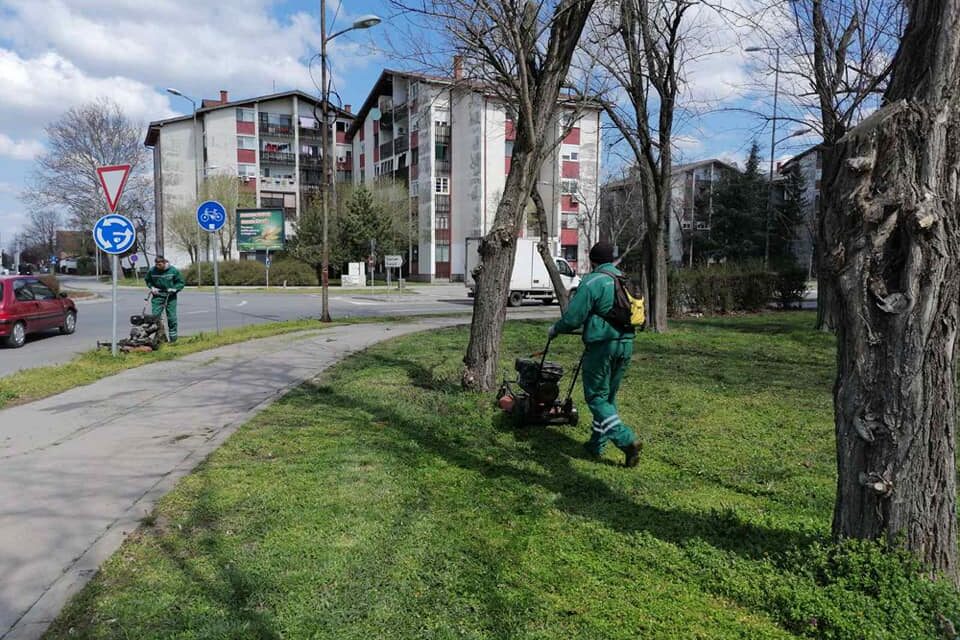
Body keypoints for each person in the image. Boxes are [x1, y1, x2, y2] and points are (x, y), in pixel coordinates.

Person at [549, 241, 641, 467]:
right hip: (626, 344)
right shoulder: (624, 279)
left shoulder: (593, 281)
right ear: (612, 259)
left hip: (603, 346)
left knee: (596, 398)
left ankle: (626, 439)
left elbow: (573, 318)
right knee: (607, 398)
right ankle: (596, 444)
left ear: (592, 261)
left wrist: (555, 329)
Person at [145, 255, 185, 342]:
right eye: (156, 264)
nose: (157, 266)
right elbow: (148, 280)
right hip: (158, 295)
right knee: (155, 317)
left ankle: (173, 339)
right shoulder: (152, 271)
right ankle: (161, 338)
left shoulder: (173, 270)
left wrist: (175, 288)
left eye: (159, 264)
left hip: (170, 296)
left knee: (171, 317)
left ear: (164, 263)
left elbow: (181, 282)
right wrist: (152, 287)